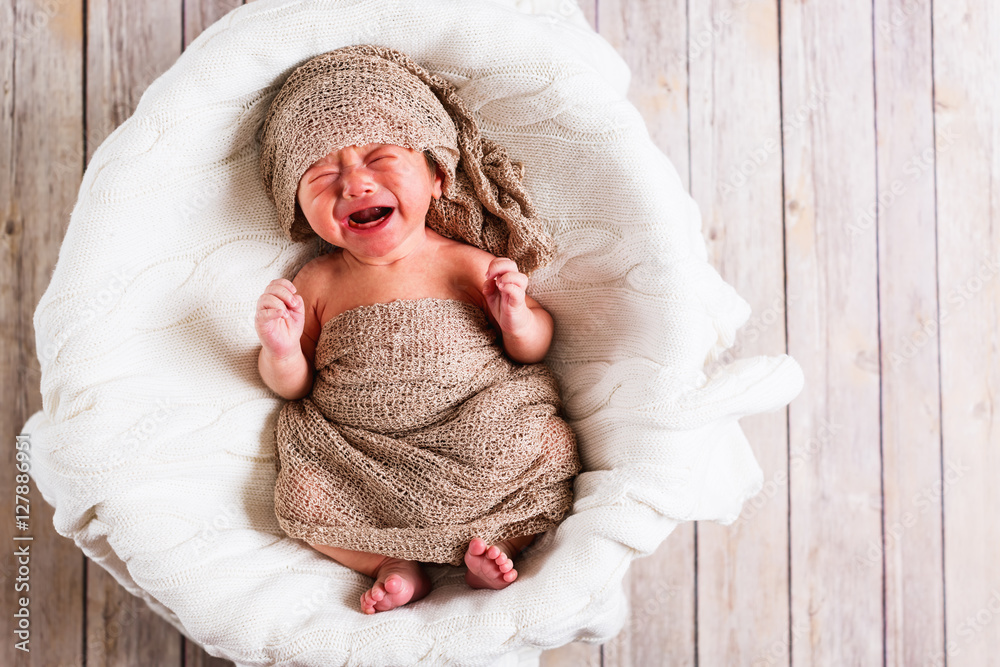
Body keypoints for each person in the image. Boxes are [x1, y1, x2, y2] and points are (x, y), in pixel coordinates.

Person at [254, 45, 580, 616]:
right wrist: (280, 348)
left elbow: (532, 351)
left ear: (437, 176)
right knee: (303, 492)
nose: (354, 184)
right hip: (363, 454)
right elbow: (293, 388)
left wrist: (518, 318)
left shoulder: (465, 262)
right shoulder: (317, 280)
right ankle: (387, 561)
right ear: (297, 205)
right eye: (323, 174)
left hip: (471, 428)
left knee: (545, 447)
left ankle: (495, 543)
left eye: (380, 159)